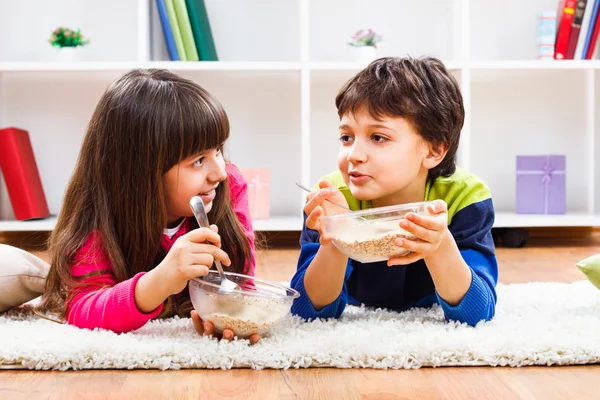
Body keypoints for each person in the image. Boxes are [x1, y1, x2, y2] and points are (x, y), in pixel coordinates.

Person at [38, 69, 260, 343]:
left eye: (218, 150)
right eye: (198, 161)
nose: (220, 173)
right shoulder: (98, 214)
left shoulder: (229, 187)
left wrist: (228, 311)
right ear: (140, 172)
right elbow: (82, 308)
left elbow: (243, 285)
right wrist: (159, 281)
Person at [291, 57, 497, 327]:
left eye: (378, 137)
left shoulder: (464, 197)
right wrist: (337, 237)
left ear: (434, 150)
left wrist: (440, 245)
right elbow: (307, 311)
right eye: (346, 137)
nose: (354, 155)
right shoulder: (334, 198)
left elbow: (478, 314)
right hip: (356, 301)